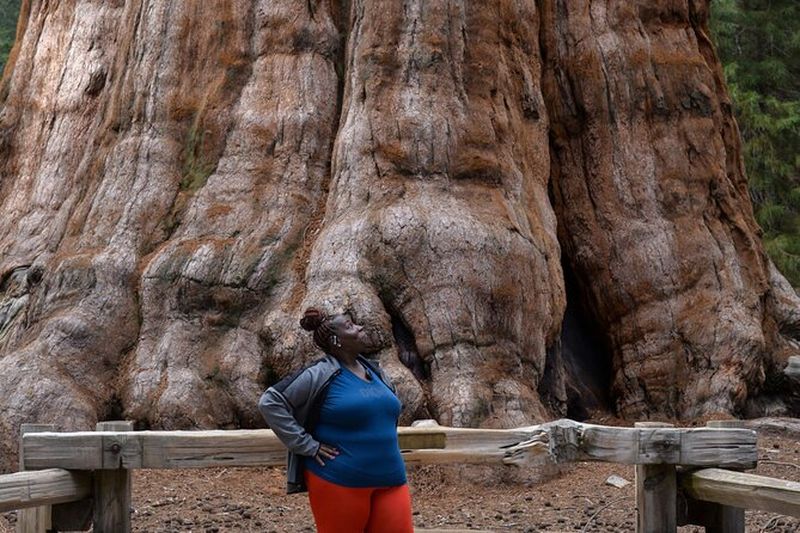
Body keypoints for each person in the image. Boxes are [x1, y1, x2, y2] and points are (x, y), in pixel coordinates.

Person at [258, 307, 414, 533]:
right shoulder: (319, 374)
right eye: (350, 326)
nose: (360, 327)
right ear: (336, 340)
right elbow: (270, 402)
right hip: (340, 480)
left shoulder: (377, 372)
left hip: (392, 479)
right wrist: (306, 445)